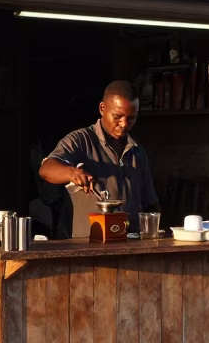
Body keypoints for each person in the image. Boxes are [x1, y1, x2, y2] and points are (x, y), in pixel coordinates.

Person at [39, 81, 161, 238]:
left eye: (131, 118)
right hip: (85, 250)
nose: (124, 124)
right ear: (102, 108)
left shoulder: (137, 151)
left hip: (131, 248)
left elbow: (151, 205)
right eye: (117, 117)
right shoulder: (79, 141)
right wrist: (71, 173)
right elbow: (46, 169)